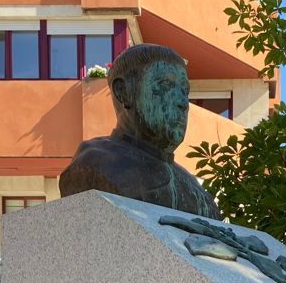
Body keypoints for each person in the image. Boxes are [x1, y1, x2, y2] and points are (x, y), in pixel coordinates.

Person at [59, 44, 220, 218]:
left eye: (184, 90)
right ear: (124, 92)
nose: (183, 102)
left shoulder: (196, 191)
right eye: (166, 84)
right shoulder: (95, 163)